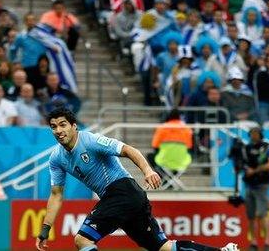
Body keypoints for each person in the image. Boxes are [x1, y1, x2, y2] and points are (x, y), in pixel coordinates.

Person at [36, 107, 239, 251]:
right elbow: (56, 195)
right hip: (128, 198)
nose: (58, 131)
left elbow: (127, 149)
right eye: (54, 127)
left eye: (63, 125)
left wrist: (148, 171)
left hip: (121, 191)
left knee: (82, 240)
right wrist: (45, 229)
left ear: (74, 126)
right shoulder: (56, 158)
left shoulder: (89, 140)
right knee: (163, 247)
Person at [241, 127, 269, 251]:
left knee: (263, 214)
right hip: (249, 185)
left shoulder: (267, 147)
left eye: (256, 133)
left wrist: (255, 170)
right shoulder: (246, 148)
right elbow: (242, 164)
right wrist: (245, 170)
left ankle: (267, 243)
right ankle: (253, 242)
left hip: (262, 185)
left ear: (260, 134)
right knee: (251, 216)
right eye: (251, 133)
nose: (253, 135)